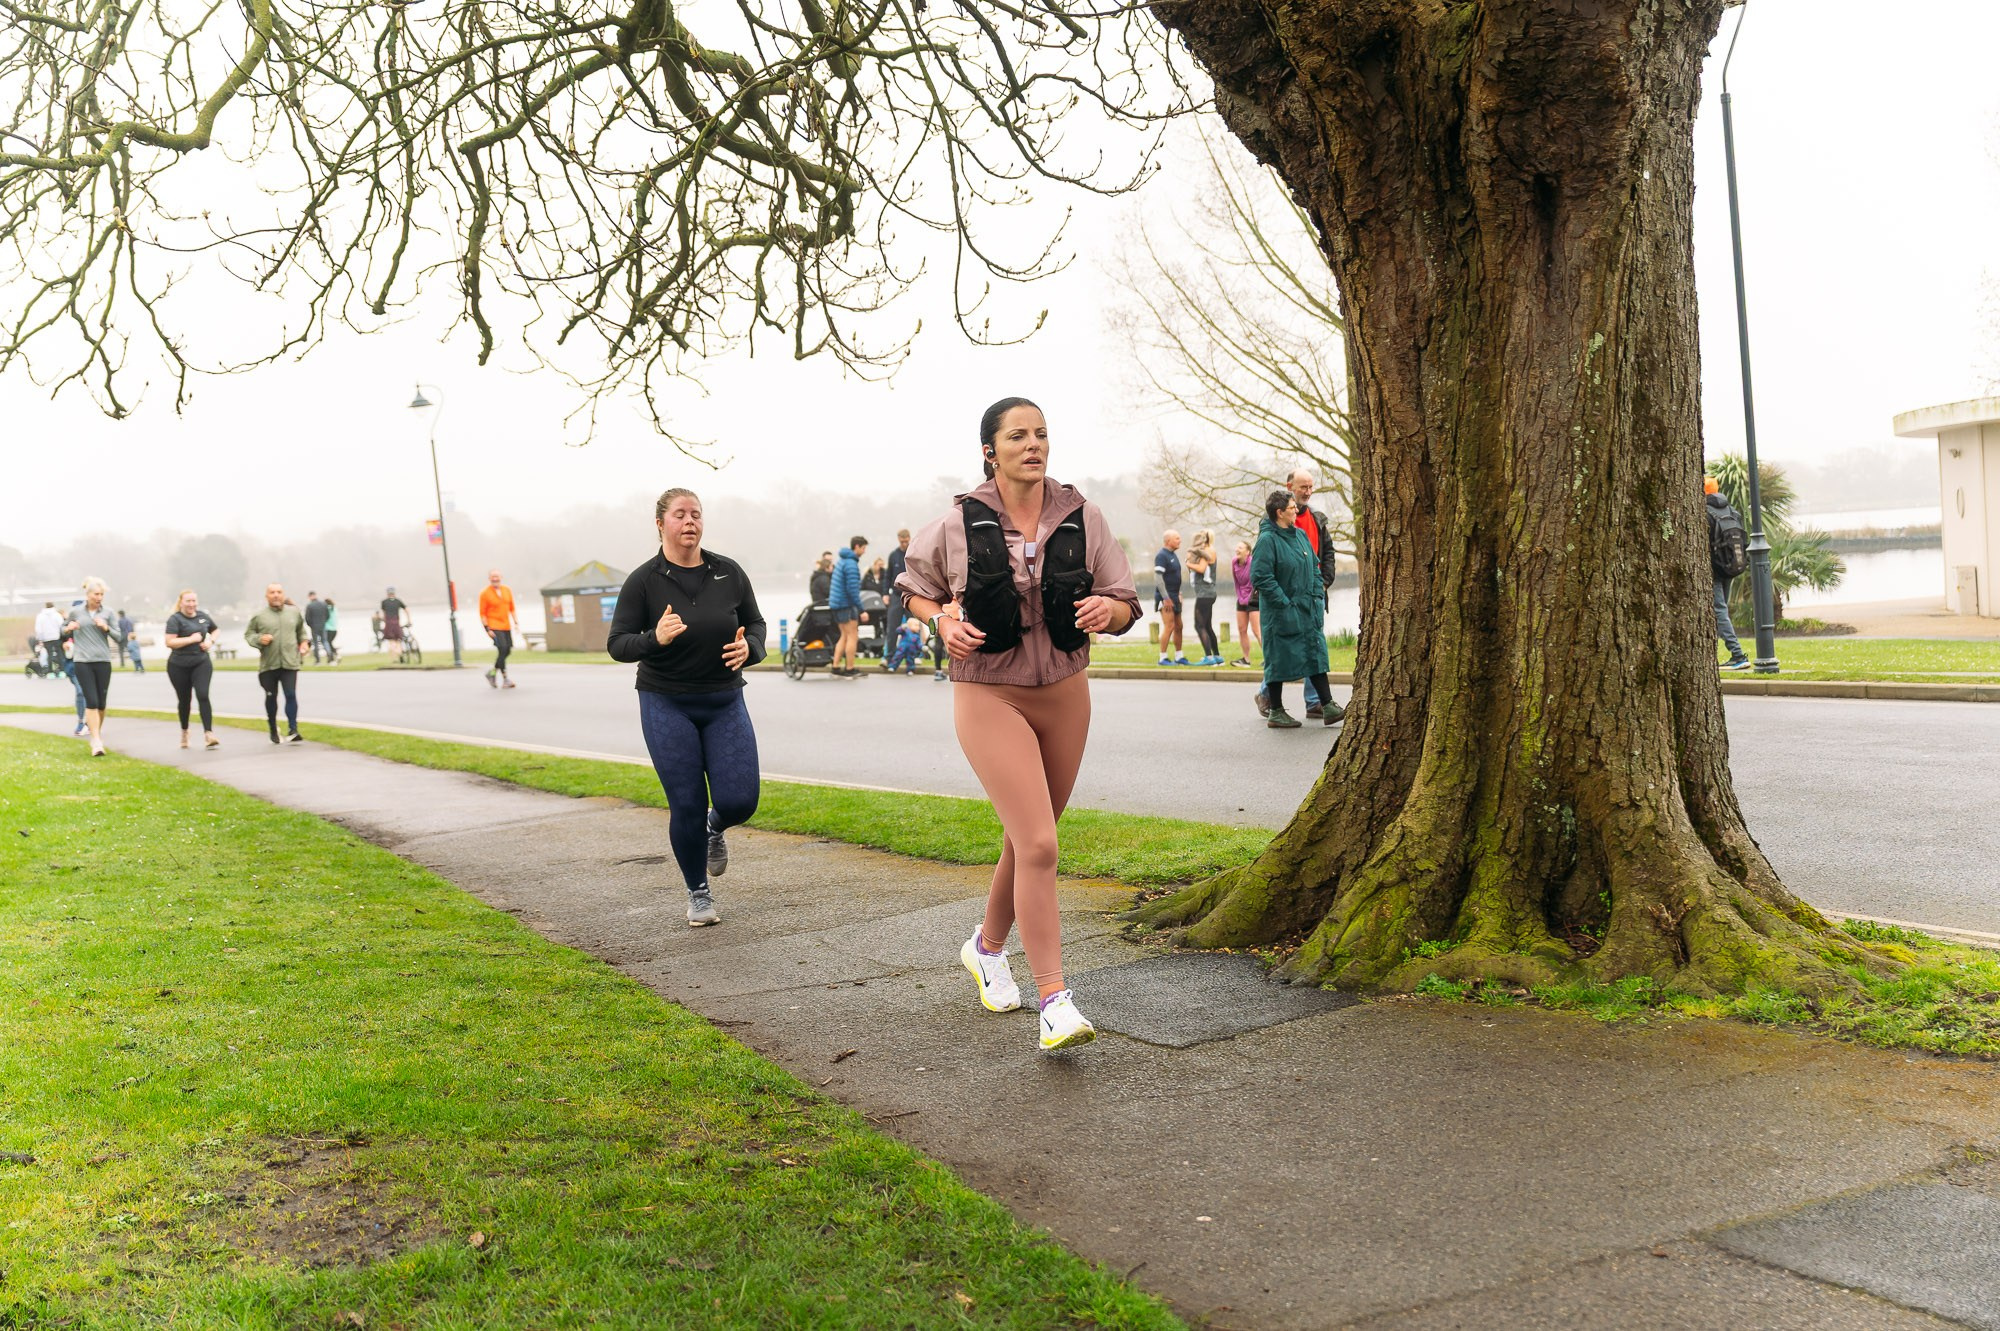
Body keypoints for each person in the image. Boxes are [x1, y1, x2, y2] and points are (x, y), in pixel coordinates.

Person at [897, 395, 1142, 1052]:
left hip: (1065, 693)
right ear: (990, 451)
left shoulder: (1083, 515)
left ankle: (985, 948)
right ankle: (1055, 1002)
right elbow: (913, 587)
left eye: (1041, 434)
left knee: (1029, 837)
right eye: (1017, 436)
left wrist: (1107, 611)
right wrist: (940, 620)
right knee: (1038, 844)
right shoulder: (956, 523)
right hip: (989, 694)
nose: (1033, 444)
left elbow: (1125, 602)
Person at [607, 487, 767, 928]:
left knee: (740, 800)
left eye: (696, 513)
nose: (690, 521)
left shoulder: (728, 572)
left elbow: (755, 622)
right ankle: (698, 891)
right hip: (666, 702)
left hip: (724, 700)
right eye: (680, 514)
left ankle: (716, 827)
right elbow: (618, 644)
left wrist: (751, 649)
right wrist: (653, 638)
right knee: (687, 804)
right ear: (661, 523)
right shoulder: (644, 580)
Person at [1252, 491, 1338, 729]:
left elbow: (1314, 567)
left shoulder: (1300, 535)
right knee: (1278, 658)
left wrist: (1316, 593)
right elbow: (1261, 577)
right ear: (1279, 513)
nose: (1296, 510)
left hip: (1307, 608)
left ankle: (1328, 705)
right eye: (1291, 508)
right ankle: (1276, 711)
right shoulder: (1267, 540)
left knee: (1315, 653)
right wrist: (1284, 603)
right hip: (1281, 612)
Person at [246, 581, 312, 744]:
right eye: (272, 592)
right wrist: (259, 639)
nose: (276, 595)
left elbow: (301, 632)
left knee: (290, 694)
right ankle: (273, 728)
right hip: (269, 664)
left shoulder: (294, 613)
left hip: (290, 662)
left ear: (283, 594)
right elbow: (249, 635)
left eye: (279, 592)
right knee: (271, 697)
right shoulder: (259, 616)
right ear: (266, 596)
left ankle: (293, 729)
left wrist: (304, 644)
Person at [63, 578, 123, 756]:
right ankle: (96, 740)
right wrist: (69, 627)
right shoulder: (76, 611)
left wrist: (106, 628)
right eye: (96, 594)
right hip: (82, 661)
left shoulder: (108, 612)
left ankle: (96, 733)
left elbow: (119, 636)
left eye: (101, 594)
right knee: (92, 701)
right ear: (87, 594)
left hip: (102, 660)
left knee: (102, 703)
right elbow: (62, 629)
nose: (99, 597)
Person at [163, 588, 222, 750]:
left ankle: (209, 734)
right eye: (188, 601)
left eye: (194, 601)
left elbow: (216, 630)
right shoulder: (175, 619)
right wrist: (191, 639)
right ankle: (185, 731)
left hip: (201, 662)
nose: (191, 604)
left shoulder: (203, 616)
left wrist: (210, 641)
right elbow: (169, 642)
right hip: (178, 665)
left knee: (203, 695)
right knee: (184, 700)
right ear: (181, 602)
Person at [1705, 476, 1752, 670]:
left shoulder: (1704, 513)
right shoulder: (1732, 511)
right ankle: (1715, 653)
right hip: (1730, 566)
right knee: (1720, 610)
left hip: (1714, 569)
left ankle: (1737, 654)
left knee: (1719, 611)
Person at [828, 535, 867, 678]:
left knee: (843, 636)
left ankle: (835, 667)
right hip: (846, 604)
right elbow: (853, 590)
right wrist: (861, 610)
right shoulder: (851, 564)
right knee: (852, 636)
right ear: (857, 547)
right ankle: (850, 669)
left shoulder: (842, 561)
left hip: (837, 604)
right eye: (863, 548)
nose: (864, 551)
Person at [1185, 530, 1223, 666]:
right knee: (1207, 626)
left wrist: (1187, 563)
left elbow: (1201, 568)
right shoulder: (1209, 551)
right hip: (1209, 593)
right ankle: (1217, 656)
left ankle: (1209, 657)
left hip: (1204, 594)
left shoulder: (1206, 552)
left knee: (1199, 625)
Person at [479, 569, 522, 688]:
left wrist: (516, 622)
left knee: (507, 650)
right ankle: (505, 679)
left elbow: (512, 608)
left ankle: (492, 673)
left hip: (506, 626)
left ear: (501, 577)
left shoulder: (507, 590)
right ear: (489, 578)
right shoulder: (485, 593)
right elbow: (482, 613)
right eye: (493, 576)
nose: (495, 579)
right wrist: (487, 629)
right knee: (502, 649)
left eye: (497, 576)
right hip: (494, 626)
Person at [1153, 530, 1188, 666]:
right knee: (1170, 626)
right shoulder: (1161, 556)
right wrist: (1165, 597)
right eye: (1177, 538)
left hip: (1175, 595)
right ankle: (1163, 658)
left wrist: (1179, 593)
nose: (1180, 540)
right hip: (1165, 597)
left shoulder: (1173, 555)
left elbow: (1174, 577)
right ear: (1168, 540)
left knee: (1179, 626)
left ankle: (1179, 656)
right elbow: (1158, 578)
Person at [1230, 540, 1261, 667]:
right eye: (1237, 547)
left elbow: (1254, 583)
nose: (1237, 549)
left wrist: (1247, 598)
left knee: (1256, 630)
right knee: (1242, 629)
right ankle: (1246, 660)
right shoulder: (1234, 562)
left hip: (1254, 598)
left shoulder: (1253, 562)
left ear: (1247, 552)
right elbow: (1236, 583)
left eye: (1240, 547)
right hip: (1241, 598)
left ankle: (1269, 659)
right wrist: (1240, 597)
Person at [885, 527, 912, 655]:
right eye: (902, 541)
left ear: (909, 539)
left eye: (906, 541)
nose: (904, 544)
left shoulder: (913, 553)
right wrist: (885, 593)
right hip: (896, 595)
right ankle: (889, 656)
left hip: (911, 595)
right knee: (892, 627)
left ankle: (914, 655)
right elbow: (888, 576)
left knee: (913, 626)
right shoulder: (893, 555)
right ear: (898, 540)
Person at [32, 601, 62, 677]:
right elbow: (61, 625)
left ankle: (50, 672)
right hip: (56, 637)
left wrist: (40, 638)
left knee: (49, 654)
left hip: (46, 638)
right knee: (59, 654)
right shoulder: (57, 615)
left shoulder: (40, 616)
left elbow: (38, 629)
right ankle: (62, 671)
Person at [380, 586, 409, 662]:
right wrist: (409, 620)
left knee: (391, 641)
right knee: (398, 640)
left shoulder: (384, 602)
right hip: (396, 623)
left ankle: (394, 658)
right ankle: (400, 653)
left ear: (387, 593)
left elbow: (383, 614)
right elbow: (406, 610)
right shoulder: (398, 601)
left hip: (388, 624)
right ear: (394, 593)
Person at [303, 591, 332, 664]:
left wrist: (310, 625)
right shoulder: (323, 604)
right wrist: (323, 622)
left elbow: (307, 618)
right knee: (325, 641)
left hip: (314, 627)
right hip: (322, 625)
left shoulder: (310, 606)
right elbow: (328, 615)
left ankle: (318, 660)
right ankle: (329, 655)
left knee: (315, 643)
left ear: (310, 596)